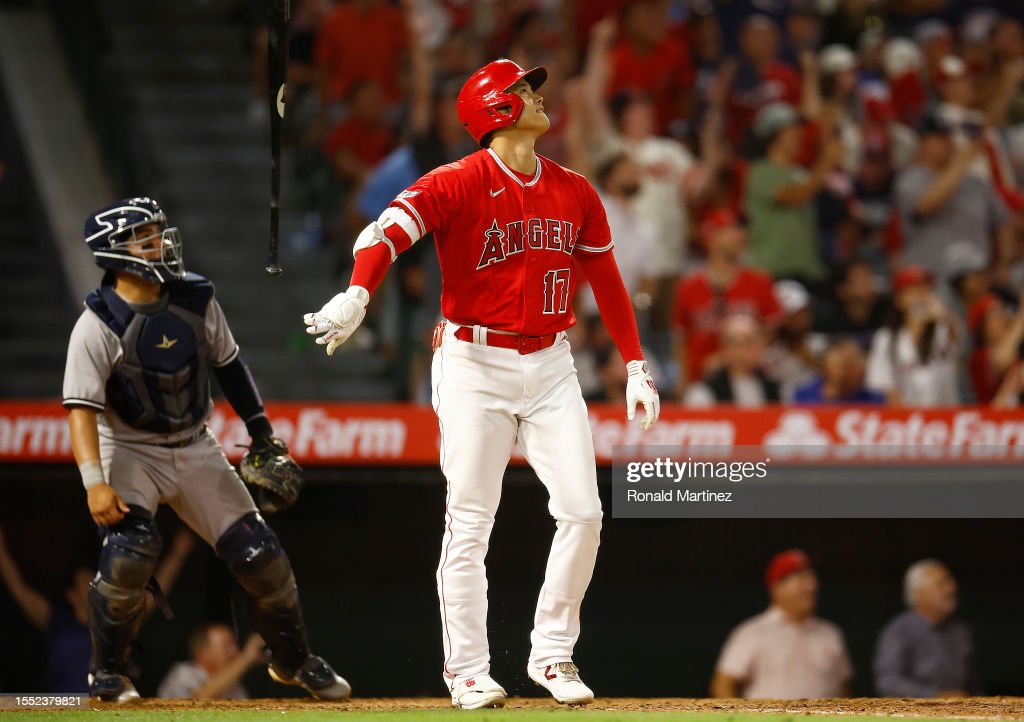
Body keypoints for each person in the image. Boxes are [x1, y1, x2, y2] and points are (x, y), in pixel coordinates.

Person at [303, 59, 660, 709]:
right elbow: (383, 231)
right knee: (470, 519)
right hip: (472, 362)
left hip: (552, 363)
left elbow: (606, 280)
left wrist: (636, 363)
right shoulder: (457, 181)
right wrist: (358, 294)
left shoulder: (575, 189)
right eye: (524, 90)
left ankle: (551, 654)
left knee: (583, 511)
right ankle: (467, 669)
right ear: (496, 109)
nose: (537, 96)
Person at [63, 198, 350, 702]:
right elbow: (81, 410)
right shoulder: (96, 323)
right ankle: (107, 673)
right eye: (145, 237)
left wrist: (261, 433)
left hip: (196, 444)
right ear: (115, 252)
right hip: (129, 448)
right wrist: (94, 482)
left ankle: (293, 660)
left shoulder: (193, 298)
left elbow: (230, 366)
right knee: (129, 556)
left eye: (158, 232)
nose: (160, 242)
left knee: (262, 557)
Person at [0, 525, 195, 693]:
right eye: (87, 582)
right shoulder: (56, 620)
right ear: (71, 593)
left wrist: (179, 552)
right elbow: (19, 589)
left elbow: (151, 598)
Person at [711, 549, 853, 699]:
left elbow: (844, 687)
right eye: (801, 578)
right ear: (776, 587)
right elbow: (722, 685)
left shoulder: (830, 632)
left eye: (812, 576)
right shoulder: (752, 632)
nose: (812, 585)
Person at [893, 112, 1013, 283]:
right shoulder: (910, 179)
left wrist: (1003, 264)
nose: (947, 143)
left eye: (948, 137)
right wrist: (963, 160)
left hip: (975, 282)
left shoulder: (975, 183)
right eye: (939, 138)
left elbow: (1002, 221)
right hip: (931, 281)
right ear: (922, 143)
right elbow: (926, 205)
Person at [670, 209, 781, 394]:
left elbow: (770, 333)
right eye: (730, 229)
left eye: (740, 230)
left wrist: (731, 357)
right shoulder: (688, 287)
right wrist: (684, 379)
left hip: (749, 381)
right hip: (701, 383)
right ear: (711, 237)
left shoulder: (760, 282)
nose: (740, 235)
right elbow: (680, 340)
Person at [744, 102, 840, 286]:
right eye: (791, 131)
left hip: (805, 270)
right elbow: (796, 196)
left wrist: (828, 135)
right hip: (772, 271)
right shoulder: (761, 172)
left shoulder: (801, 173)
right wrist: (826, 162)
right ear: (774, 136)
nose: (799, 135)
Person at [874, 560, 981, 697]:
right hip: (915, 714)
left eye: (950, 581)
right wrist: (938, 696)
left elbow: (972, 684)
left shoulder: (960, 631)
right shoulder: (899, 630)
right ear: (919, 594)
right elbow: (887, 683)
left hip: (962, 714)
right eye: (940, 584)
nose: (951, 588)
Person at [865, 265, 960, 406]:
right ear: (899, 300)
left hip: (945, 419)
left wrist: (944, 314)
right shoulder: (886, 338)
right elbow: (885, 387)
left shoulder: (943, 330)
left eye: (925, 290)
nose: (920, 297)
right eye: (912, 291)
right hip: (907, 421)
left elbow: (957, 336)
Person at [684, 314, 779, 408]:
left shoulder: (771, 387)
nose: (759, 348)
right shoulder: (704, 392)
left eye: (758, 342)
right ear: (726, 348)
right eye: (748, 343)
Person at [157, 624, 264, 699]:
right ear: (204, 653)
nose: (235, 650)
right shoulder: (183, 674)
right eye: (227, 645)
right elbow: (199, 700)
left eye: (234, 644)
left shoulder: (234, 684)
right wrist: (247, 657)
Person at [793, 336, 885, 404]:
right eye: (839, 365)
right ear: (824, 364)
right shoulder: (803, 395)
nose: (844, 372)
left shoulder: (874, 401)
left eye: (851, 363)